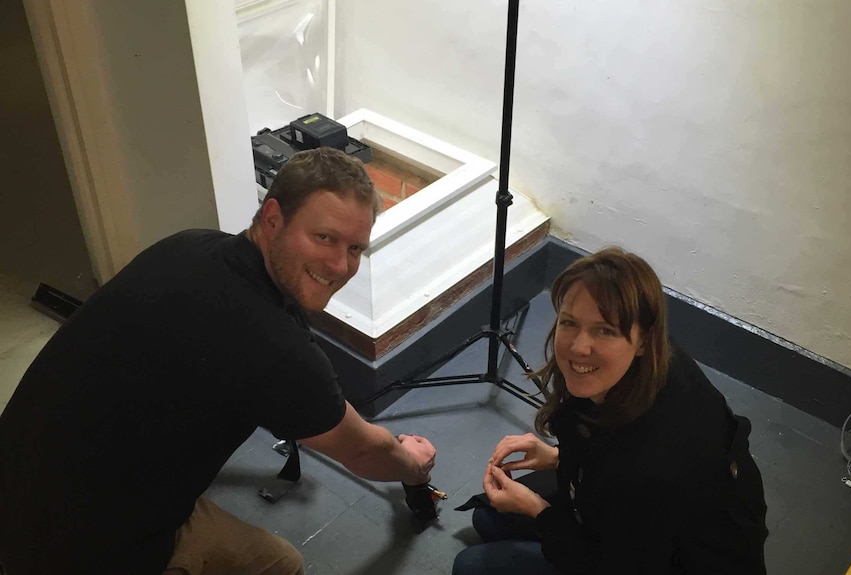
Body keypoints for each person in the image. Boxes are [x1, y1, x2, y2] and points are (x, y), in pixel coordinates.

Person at [0, 147, 436, 575]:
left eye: (356, 249)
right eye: (324, 237)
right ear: (272, 219)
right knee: (282, 564)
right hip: (77, 550)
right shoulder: (277, 350)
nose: (340, 265)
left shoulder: (191, 245)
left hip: (22, 479)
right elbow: (362, 451)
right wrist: (412, 467)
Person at [452, 247, 768, 575]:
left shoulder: (655, 466)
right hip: (627, 507)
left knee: (471, 567)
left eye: (605, 330)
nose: (578, 347)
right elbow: (611, 443)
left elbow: (616, 564)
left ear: (642, 340)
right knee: (488, 515)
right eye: (569, 322)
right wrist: (557, 456)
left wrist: (538, 511)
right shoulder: (654, 360)